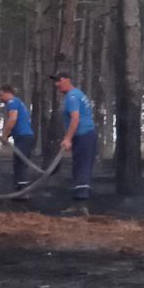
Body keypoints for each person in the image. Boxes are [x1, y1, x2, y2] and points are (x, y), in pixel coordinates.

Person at [51, 70, 96, 215]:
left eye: (59, 80)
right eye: (55, 81)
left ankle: (81, 206)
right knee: (80, 168)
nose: (56, 84)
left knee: (81, 168)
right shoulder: (77, 94)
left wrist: (68, 138)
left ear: (67, 80)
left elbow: (75, 119)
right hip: (85, 136)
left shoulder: (72, 97)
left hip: (84, 135)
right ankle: (79, 204)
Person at [0, 84, 35, 193]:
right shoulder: (18, 102)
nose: (0, 98)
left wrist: (4, 135)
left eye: (1, 95)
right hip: (24, 137)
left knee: (21, 163)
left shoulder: (12, 102)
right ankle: (19, 189)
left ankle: (22, 191)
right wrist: (7, 135)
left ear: (8, 93)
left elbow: (13, 119)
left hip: (24, 137)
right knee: (19, 163)